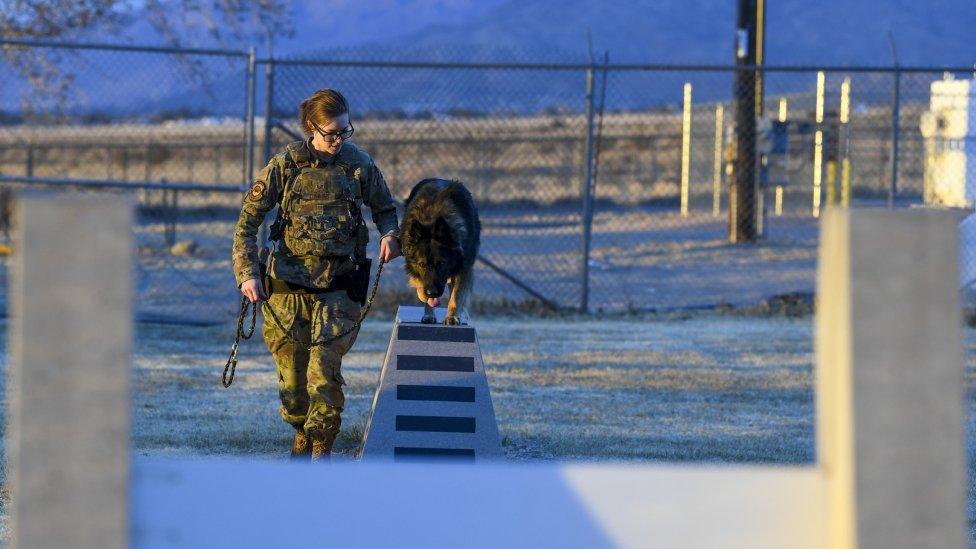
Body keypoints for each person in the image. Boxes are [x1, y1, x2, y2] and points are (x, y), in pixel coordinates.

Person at [231, 88, 401, 461]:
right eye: (331, 133)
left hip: (339, 287)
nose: (339, 139)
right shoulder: (286, 165)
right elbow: (247, 223)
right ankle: (300, 431)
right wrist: (247, 273)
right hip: (288, 289)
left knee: (323, 371)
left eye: (345, 131)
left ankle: (321, 447)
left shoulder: (358, 166)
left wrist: (391, 235)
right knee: (293, 385)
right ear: (311, 127)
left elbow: (386, 209)